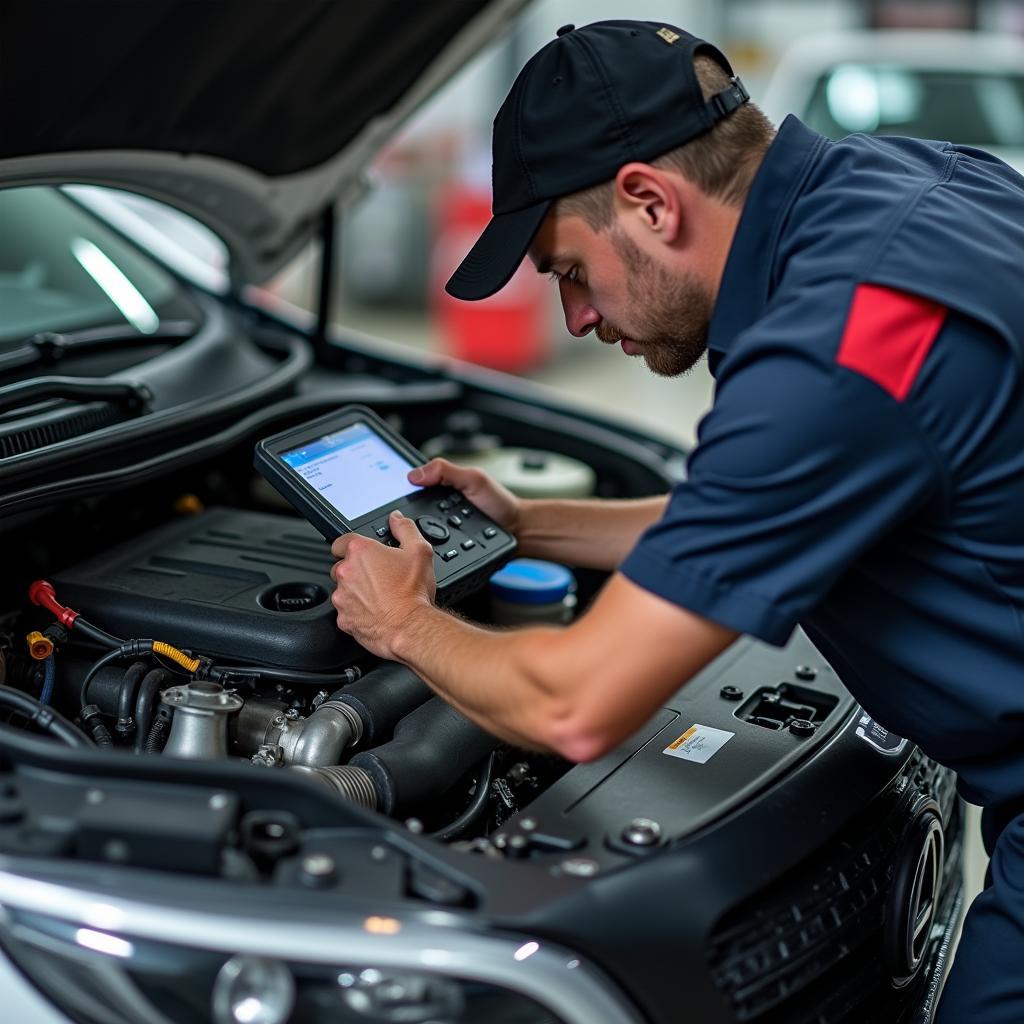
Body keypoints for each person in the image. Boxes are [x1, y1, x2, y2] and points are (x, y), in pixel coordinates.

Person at [329, 20, 1024, 1022]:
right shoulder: (913, 191)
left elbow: (573, 704)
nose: (573, 317)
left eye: (567, 269)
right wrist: (526, 523)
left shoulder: (841, 338)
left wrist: (403, 625)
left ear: (648, 202)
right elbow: (765, 504)